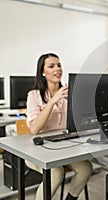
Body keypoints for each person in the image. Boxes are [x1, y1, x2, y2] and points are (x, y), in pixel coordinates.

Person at [26, 53, 92, 200]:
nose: (58, 69)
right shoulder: (34, 95)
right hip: (38, 149)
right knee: (56, 172)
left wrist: (79, 102)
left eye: (59, 65)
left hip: (62, 147)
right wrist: (52, 102)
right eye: (51, 66)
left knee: (86, 168)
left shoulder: (69, 93)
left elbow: (79, 123)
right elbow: (34, 129)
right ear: (43, 72)